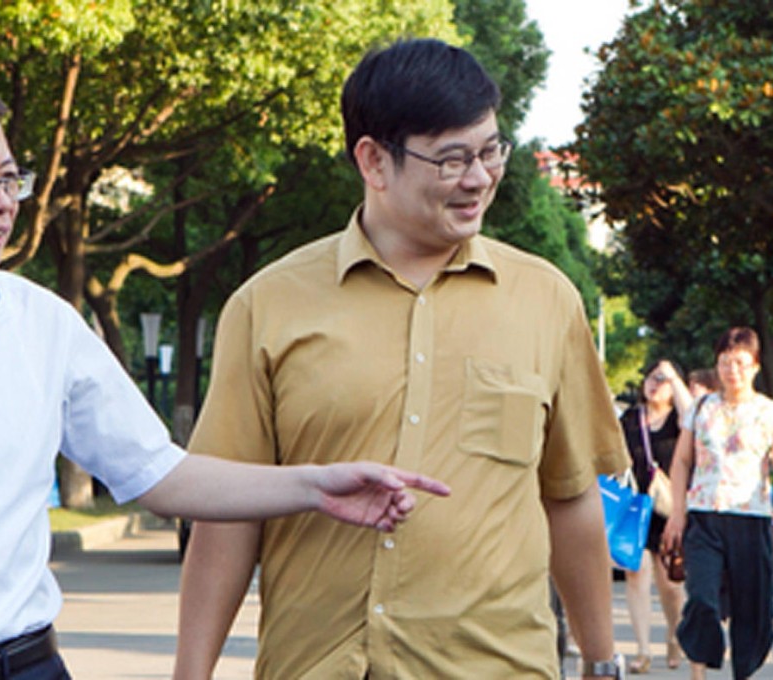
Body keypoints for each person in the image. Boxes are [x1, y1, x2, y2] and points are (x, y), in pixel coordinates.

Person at [0, 67, 451, 678]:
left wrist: (316, 486)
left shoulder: (43, 327)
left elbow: (159, 473)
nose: (3, 203)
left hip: (21, 666)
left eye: (9, 178)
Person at [174, 38, 631, 679]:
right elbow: (227, 517)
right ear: (374, 161)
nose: (479, 177)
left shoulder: (547, 300)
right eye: (451, 159)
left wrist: (601, 660)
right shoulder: (267, 306)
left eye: (490, 151)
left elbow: (570, 495)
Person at [661, 327, 773, 680]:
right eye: (724, 362)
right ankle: (703, 654)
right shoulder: (701, 409)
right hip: (704, 517)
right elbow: (681, 462)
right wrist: (677, 514)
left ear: (754, 365)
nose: (731, 370)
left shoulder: (772, 413)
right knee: (702, 598)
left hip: (751, 519)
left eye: (739, 363)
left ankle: (743, 672)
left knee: (752, 611)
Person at [619, 360, 692, 674]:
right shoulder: (631, 419)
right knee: (636, 575)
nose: (654, 384)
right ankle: (643, 650)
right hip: (637, 507)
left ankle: (675, 637)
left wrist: (675, 378)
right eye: (651, 378)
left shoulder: (681, 420)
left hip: (671, 508)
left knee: (671, 586)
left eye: (661, 380)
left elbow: (694, 413)